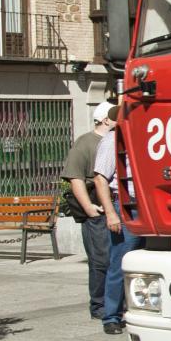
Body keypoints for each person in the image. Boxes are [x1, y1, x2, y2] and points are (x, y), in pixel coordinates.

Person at [62, 102, 116, 322]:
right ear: (105, 120)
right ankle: (99, 304)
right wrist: (89, 208)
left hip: (114, 207)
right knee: (100, 259)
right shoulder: (85, 143)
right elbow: (75, 178)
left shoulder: (113, 140)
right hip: (97, 209)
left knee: (114, 258)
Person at [93, 121, 142, 335]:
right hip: (126, 205)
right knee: (120, 262)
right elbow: (100, 178)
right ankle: (111, 316)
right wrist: (111, 213)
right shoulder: (112, 139)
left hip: (147, 205)